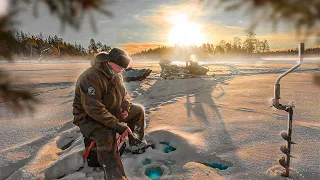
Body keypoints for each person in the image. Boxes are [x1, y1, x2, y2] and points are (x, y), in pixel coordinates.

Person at [73, 48, 147, 179]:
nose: (120, 70)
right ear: (108, 61)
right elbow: (94, 109)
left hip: (110, 111)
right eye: (119, 66)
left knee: (138, 111)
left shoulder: (115, 74)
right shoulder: (90, 77)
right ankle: (115, 176)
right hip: (89, 118)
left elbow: (123, 96)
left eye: (122, 68)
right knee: (106, 135)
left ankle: (136, 144)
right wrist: (117, 125)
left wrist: (125, 107)